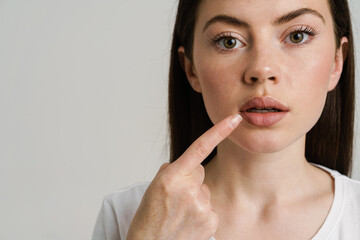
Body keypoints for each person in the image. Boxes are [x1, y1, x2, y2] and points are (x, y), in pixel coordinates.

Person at [91, 0, 360, 239]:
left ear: (337, 61)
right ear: (191, 68)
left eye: (298, 36)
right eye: (228, 41)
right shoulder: (127, 215)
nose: (261, 69)